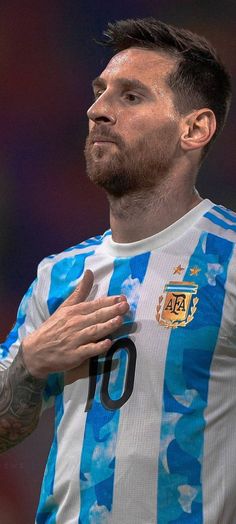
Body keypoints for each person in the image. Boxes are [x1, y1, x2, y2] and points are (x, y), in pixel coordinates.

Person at [0, 16, 235, 523]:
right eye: (100, 91)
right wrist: (30, 364)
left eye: (130, 97)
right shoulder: (59, 276)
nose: (97, 110)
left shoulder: (230, 262)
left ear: (194, 128)